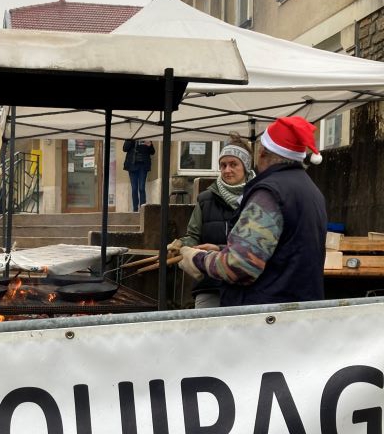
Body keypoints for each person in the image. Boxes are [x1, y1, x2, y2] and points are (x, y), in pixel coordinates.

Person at [178, 116, 327, 307]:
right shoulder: (312, 190)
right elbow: (282, 252)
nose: (227, 170)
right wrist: (223, 250)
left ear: (263, 152)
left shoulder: (269, 193)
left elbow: (239, 266)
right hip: (299, 311)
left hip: (266, 315)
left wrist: (197, 259)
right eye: (223, 165)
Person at [168, 135, 254, 309]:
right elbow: (193, 236)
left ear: (245, 167)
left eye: (233, 164)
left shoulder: (258, 198)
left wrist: (220, 249)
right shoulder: (205, 199)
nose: (227, 170)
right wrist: (180, 245)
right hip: (210, 285)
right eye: (223, 165)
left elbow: (255, 248)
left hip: (247, 286)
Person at [123, 138, 155, 212]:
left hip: (143, 166)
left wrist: (150, 145)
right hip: (132, 165)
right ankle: (135, 209)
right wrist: (132, 140)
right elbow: (125, 148)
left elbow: (152, 152)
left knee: (141, 188)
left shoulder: (146, 136)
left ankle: (142, 209)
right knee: (134, 189)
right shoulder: (131, 136)